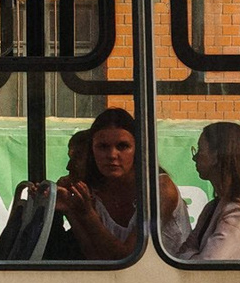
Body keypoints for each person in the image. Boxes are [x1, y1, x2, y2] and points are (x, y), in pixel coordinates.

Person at [53, 107, 183, 259]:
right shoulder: (94, 192)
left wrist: (87, 214)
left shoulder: (159, 189)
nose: (112, 155)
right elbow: (95, 258)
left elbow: (129, 258)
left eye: (123, 146)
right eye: (103, 147)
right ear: (91, 151)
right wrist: (70, 209)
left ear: (138, 150)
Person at [178, 121, 240, 260]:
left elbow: (208, 265)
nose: (195, 157)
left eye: (200, 150)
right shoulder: (213, 206)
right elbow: (183, 250)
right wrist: (194, 255)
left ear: (216, 156)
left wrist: (191, 256)